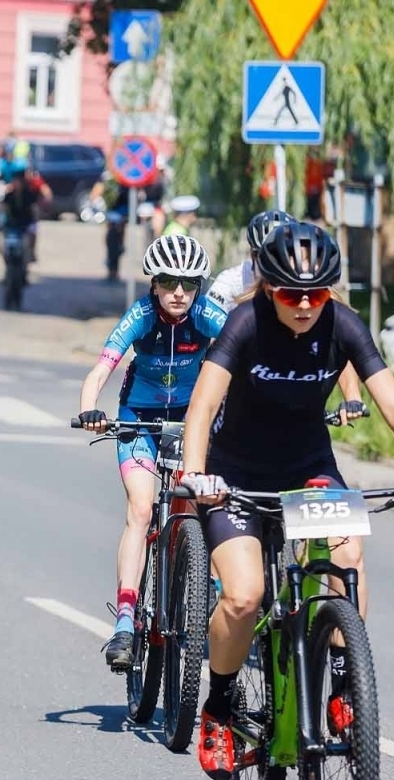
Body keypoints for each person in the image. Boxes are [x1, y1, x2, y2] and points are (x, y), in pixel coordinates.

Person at [178, 222, 394, 780]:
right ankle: (220, 706)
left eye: (316, 294)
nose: (303, 306)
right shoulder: (244, 324)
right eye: (291, 294)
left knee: (346, 557)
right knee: (245, 596)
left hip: (307, 468)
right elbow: (201, 408)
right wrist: (195, 473)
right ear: (267, 287)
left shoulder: (343, 326)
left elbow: (391, 400)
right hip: (234, 474)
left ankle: (345, 685)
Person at [75, 235, 227, 669]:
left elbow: (247, 353)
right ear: (154, 285)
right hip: (137, 420)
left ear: (199, 285)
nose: (178, 292)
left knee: (203, 503)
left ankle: (204, 579)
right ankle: (125, 622)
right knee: (141, 510)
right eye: (167, 281)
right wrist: (90, 409)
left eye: (188, 283)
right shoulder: (139, 316)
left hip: (191, 421)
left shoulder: (209, 314)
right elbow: (100, 371)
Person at [207, 209, 294, 309]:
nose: (275, 266)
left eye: (283, 257)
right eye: (267, 258)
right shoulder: (230, 281)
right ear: (252, 255)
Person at [0, 161, 51, 268]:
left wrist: (42, 210)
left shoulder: (29, 193)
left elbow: (38, 204)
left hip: (25, 223)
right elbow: (2, 207)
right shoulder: (8, 195)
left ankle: (31, 253)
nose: (17, 182)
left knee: (32, 233)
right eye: (15, 179)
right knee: (2, 243)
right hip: (12, 224)